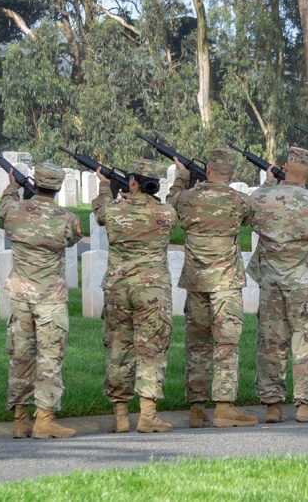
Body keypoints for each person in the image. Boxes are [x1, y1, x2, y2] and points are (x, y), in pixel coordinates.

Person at [249, 146, 308, 423]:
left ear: (284, 168)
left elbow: (249, 214)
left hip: (271, 283)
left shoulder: (262, 197)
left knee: (270, 343)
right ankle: (307, 405)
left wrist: (268, 183)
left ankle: (272, 405)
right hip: (305, 285)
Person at [167, 148, 256, 428]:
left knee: (197, 344)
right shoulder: (240, 200)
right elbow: (247, 219)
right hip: (226, 283)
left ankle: (196, 408)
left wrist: (182, 177)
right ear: (232, 172)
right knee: (226, 344)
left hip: (196, 281)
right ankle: (225, 406)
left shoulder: (187, 199)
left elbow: (170, 207)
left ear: (207, 169)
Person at [93, 158, 178, 433]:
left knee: (119, 349)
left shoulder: (114, 210)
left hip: (118, 289)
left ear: (132, 182)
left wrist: (105, 186)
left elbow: (99, 212)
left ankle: (120, 416)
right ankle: (148, 415)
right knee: (151, 350)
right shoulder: (167, 213)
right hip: (152, 292)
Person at [0, 163, 83, 439]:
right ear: (57, 188)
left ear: (34, 184)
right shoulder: (66, 219)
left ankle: (20, 419)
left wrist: (13, 185)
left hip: (20, 296)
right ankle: (45, 419)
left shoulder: (14, 212)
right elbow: (72, 240)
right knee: (49, 357)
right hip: (50, 298)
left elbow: (5, 205)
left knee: (21, 356)